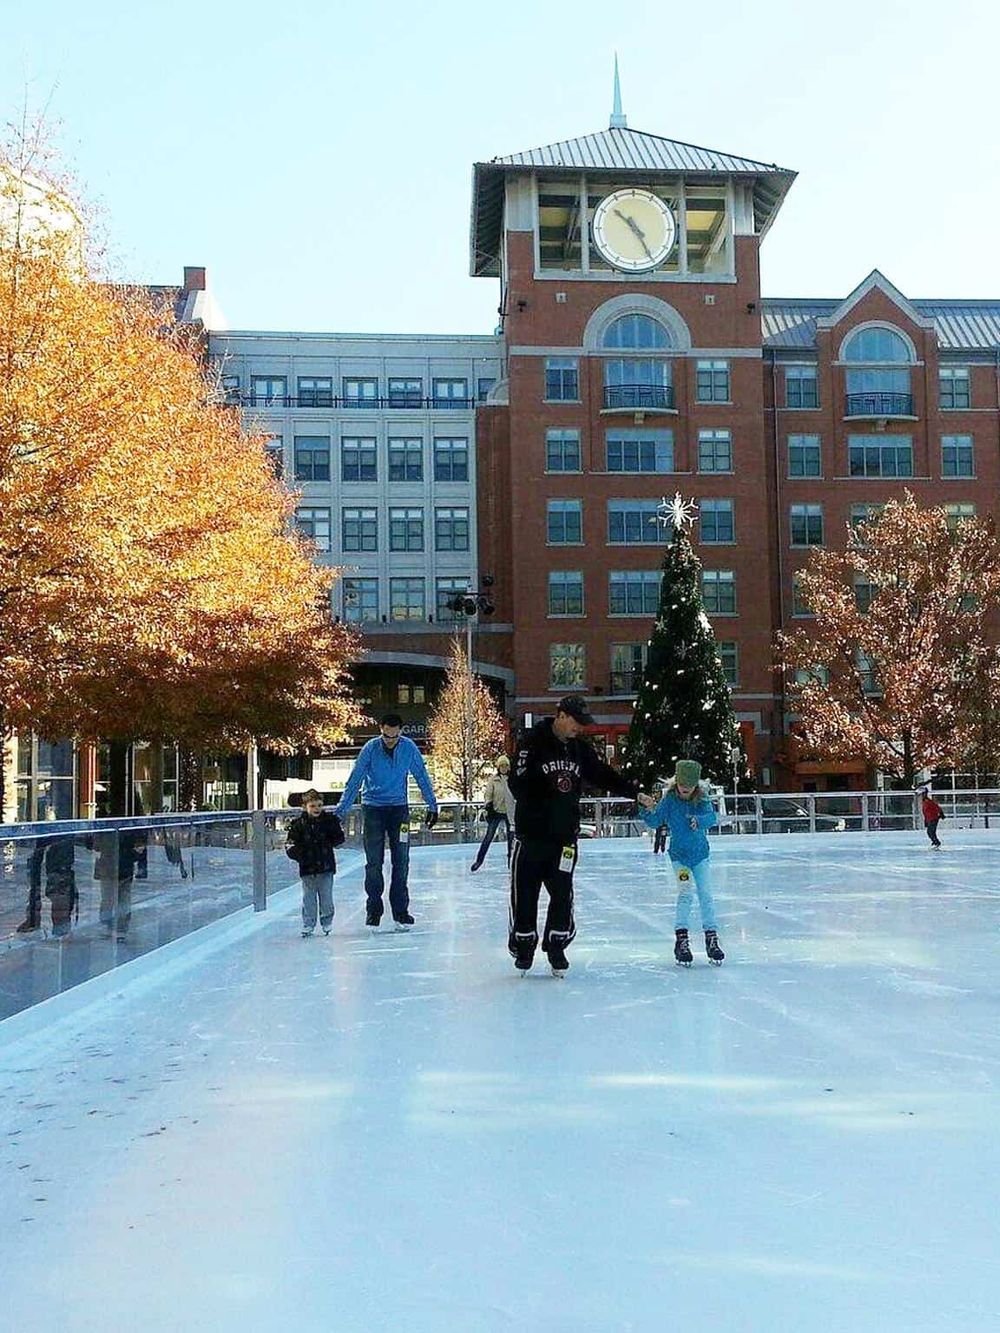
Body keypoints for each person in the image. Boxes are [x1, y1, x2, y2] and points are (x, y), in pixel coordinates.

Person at [507, 695, 648, 976]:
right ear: (561, 716)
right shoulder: (532, 743)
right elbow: (517, 783)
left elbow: (603, 775)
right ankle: (524, 947)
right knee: (525, 895)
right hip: (532, 838)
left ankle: (556, 946)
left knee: (562, 895)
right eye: (576, 722)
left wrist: (635, 793)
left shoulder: (579, 751)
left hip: (564, 840)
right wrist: (544, 800)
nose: (579, 728)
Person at [334, 713, 438, 930]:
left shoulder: (408, 748)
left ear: (400, 732)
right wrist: (340, 811)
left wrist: (432, 805)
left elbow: (421, 775)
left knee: (402, 861)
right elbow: (355, 779)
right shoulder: (370, 749)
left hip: (399, 810)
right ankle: (373, 911)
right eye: (386, 736)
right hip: (373, 809)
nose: (390, 740)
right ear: (380, 730)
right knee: (374, 862)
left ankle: (401, 912)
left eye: (394, 736)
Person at [639, 759, 723, 966]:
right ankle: (681, 939)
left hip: (700, 855)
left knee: (706, 894)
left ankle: (711, 938)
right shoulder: (669, 800)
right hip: (679, 857)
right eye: (681, 785)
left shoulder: (702, 799)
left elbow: (712, 817)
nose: (685, 790)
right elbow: (655, 821)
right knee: (685, 894)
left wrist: (700, 821)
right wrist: (646, 808)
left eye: (689, 786)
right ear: (676, 783)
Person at [285, 789, 345, 937]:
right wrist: (301, 856)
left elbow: (338, 839)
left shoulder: (329, 821)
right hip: (307, 869)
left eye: (319, 805)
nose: (316, 809)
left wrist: (336, 831)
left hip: (326, 868)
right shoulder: (298, 825)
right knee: (309, 899)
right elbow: (290, 845)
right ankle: (308, 923)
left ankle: (326, 921)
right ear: (305, 807)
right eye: (312, 806)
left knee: (326, 898)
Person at [471, 756, 515, 872]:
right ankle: (479, 860)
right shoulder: (494, 780)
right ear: (498, 767)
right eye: (501, 766)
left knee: (512, 840)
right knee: (489, 836)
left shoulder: (513, 779)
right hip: (496, 811)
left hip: (510, 812)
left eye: (505, 766)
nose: (504, 768)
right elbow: (488, 794)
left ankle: (512, 863)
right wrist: (488, 805)